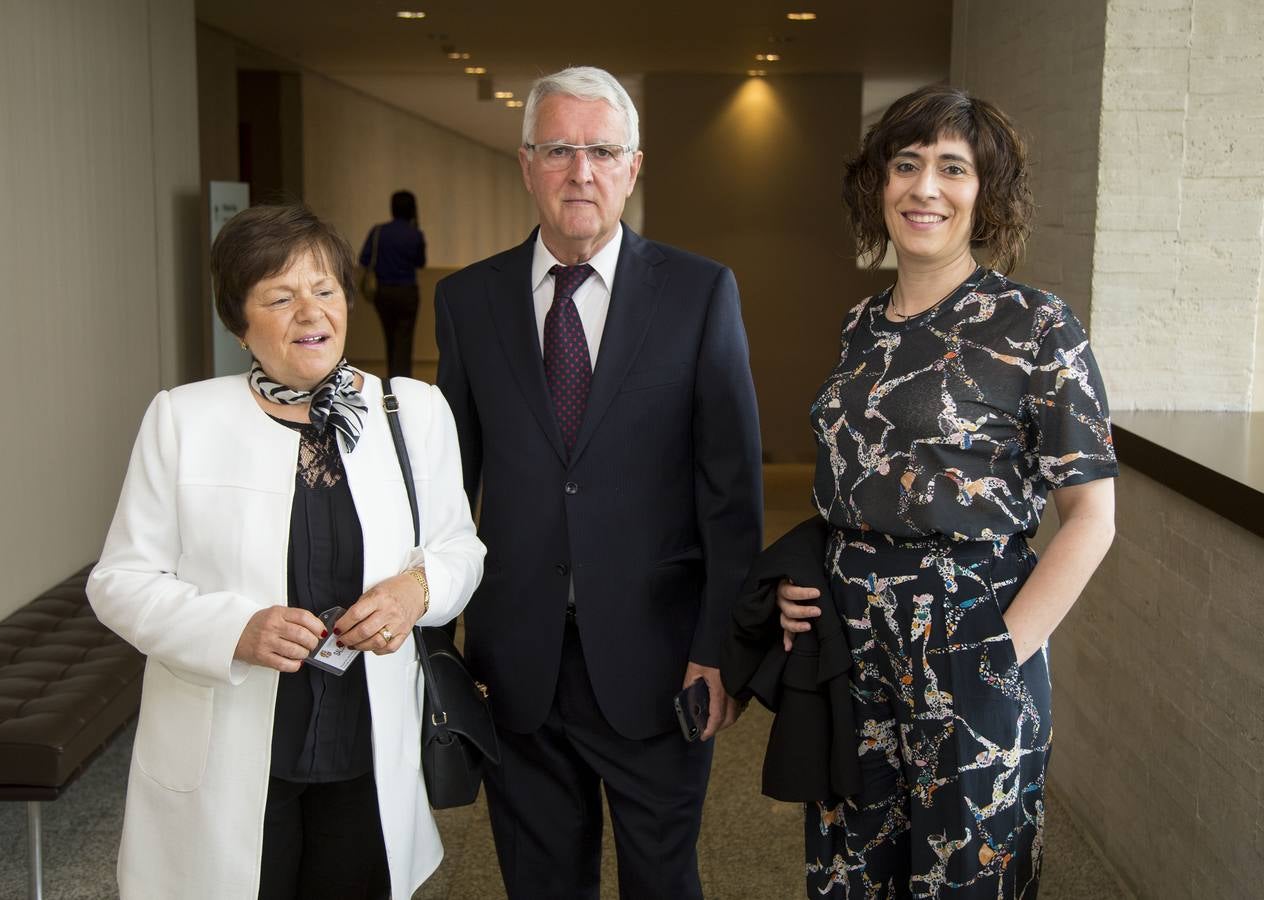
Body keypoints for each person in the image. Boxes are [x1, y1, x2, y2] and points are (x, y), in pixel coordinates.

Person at [775, 85, 1117, 898]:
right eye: (906, 164)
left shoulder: (1036, 326)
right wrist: (807, 580)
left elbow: (1092, 518)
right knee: (851, 869)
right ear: (878, 185)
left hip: (972, 635)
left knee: (965, 877)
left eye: (952, 168)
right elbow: (857, 482)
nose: (925, 188)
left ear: (985, 193)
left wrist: (1000, 654)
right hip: (854, 647)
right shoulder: (861, 325)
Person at [87, 203, 484, 900]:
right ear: (239, 324)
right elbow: (120, 580)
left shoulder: (413, 411)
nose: (311, 312)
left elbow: (460, 547)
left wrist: (414, 592)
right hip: (231, 750)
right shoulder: (184, 420)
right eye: (280, 296)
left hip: (367, 740)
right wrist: (233, 629)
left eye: (325, 290)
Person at [434, 66, 763, 899]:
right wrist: (442, 648)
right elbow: (445, 491)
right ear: (526, 163)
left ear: (634, 166)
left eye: (602, 150)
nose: (581, 171)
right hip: (516, 662)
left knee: (662, 881)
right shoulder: (468, 302)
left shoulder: (699, 293)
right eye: (560, 149)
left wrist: (715, 649)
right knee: (541, 883)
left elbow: (731, 496)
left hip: (661, 664)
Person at [359, 190, 427, 378]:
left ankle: (391, 377)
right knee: (404, 339)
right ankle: (402, 380)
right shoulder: (415, 234)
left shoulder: (379, 231)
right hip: (407, 292)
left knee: (389, 336)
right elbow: (421, 262)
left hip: (383, 291)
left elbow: (364, 259)